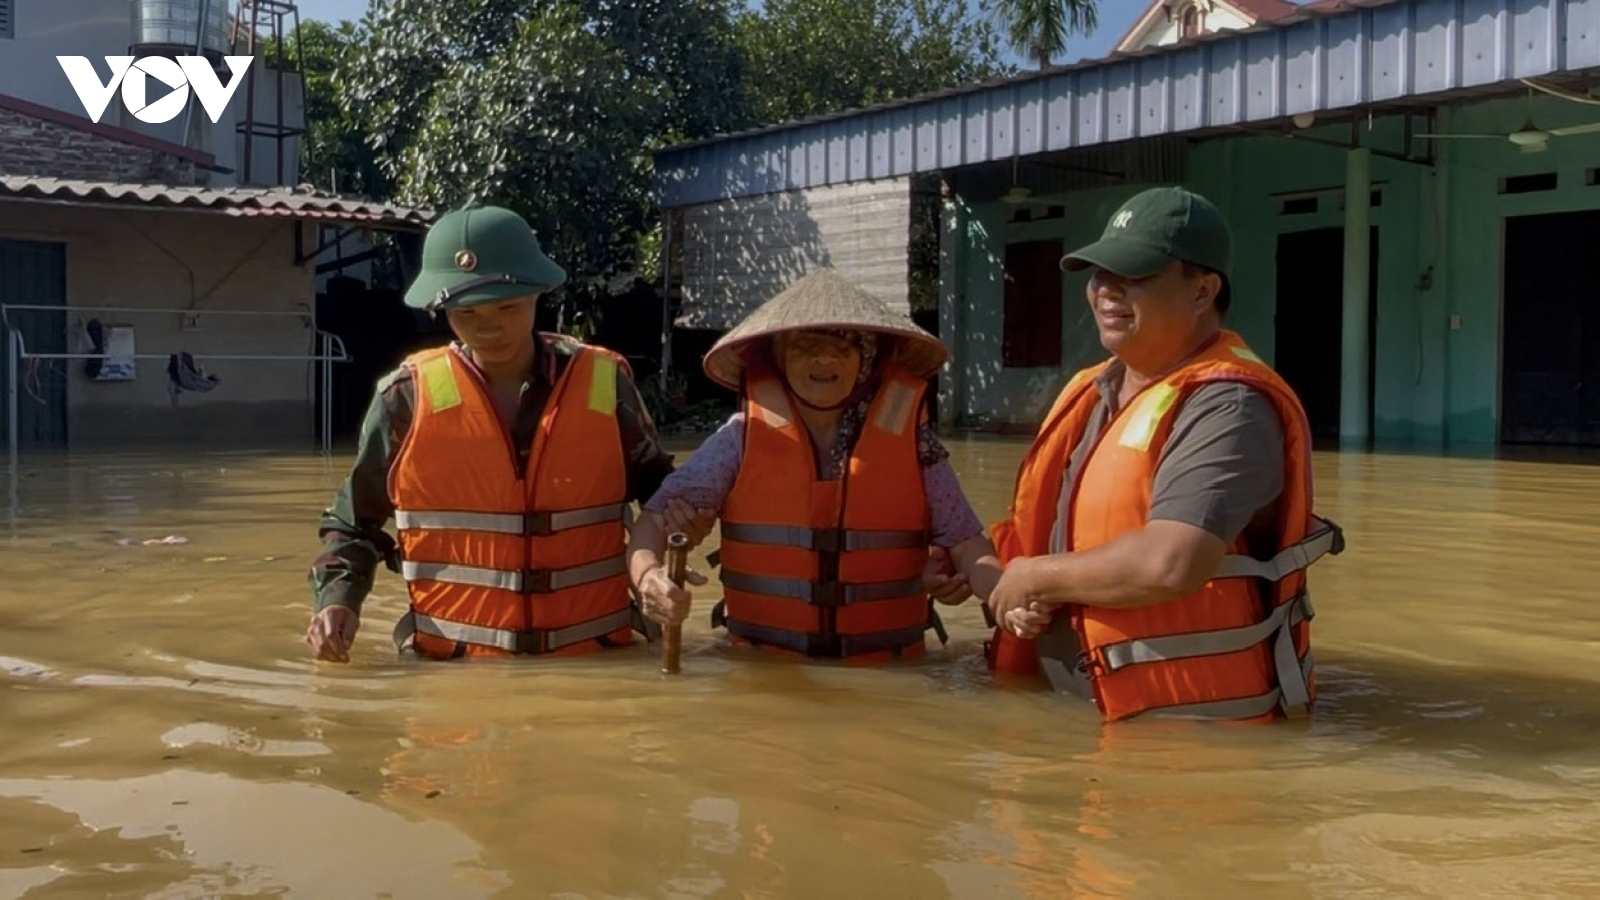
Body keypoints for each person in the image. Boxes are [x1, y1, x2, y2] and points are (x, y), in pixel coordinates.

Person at [984, 186, 1345, 722]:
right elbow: (1059, 541)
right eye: (1100, 274)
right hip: (1073, 718)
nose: (1107, 291)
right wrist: (995, 578)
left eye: (1135, 275)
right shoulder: (1096, 392)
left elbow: (1170, 563)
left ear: (1202, 291)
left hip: (1183, 746)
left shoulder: (1231, 404)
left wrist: (1037, 577)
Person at [304, 203, 711, 662]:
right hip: (454, 677)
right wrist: (338, 602)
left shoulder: (603, 381)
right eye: (466, 312)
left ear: (540, 293)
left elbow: (659, 494)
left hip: (597, 666)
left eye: (507, 306)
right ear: (442, 309)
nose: (489, 326)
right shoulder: (405, 397)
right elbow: (353, 523)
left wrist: (666, 549)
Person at [629, 268, 1003, 663]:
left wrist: (1000, 591)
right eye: (805, 345)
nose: (824, 358)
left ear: (868, 359)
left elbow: (966, 542)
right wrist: (648, 577)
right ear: (777, 357)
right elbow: (652, 521)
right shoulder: (736, 440)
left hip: (887, 670)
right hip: (765, 666)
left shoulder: (915, 442)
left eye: (844, 346)